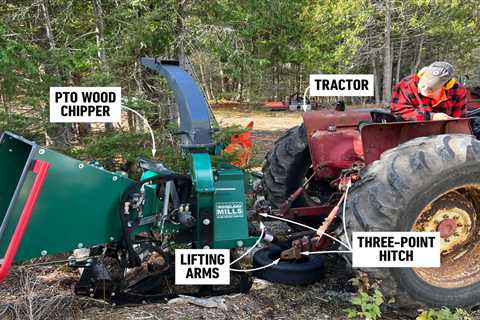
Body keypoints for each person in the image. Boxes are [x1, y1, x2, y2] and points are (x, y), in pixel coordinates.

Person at [390, 61, 467, 121]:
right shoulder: (406, 85)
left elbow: (458, 119)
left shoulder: (458, 91)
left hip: (443, 132)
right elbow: (398, 110)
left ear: (446, 85)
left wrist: (454, 122)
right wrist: (431, 117)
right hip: (410, 129)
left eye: (430, 89)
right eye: (423, 85)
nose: (424, 89)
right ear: (421, 74)